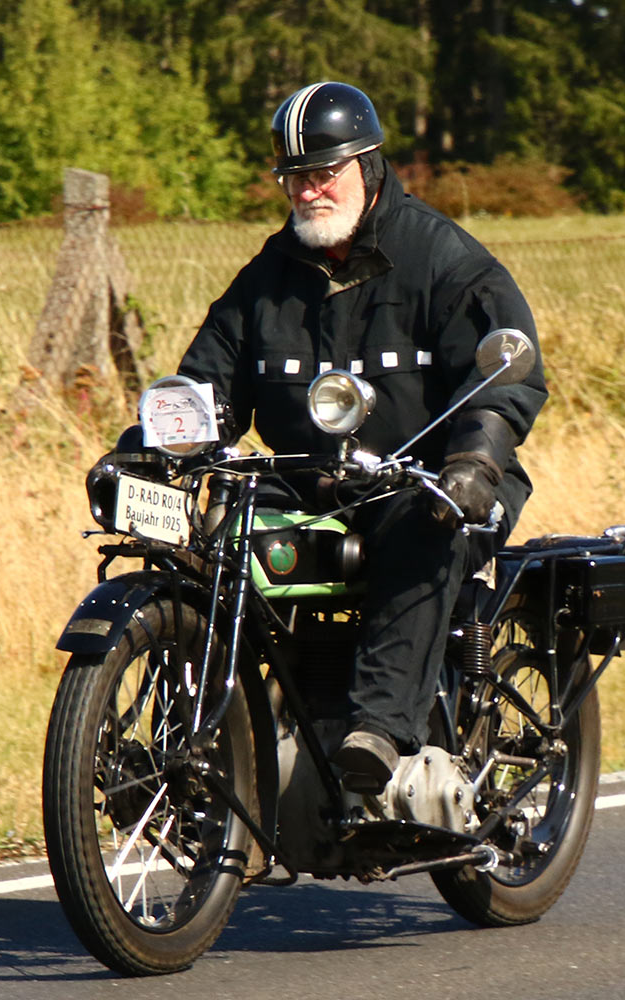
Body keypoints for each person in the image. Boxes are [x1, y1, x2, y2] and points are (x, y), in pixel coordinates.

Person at [175, 81, 546, 793]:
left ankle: (376, 732)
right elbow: (207, 384)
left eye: (325, 172)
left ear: (368, 166)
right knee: (220, 530)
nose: (309, 191)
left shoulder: (445, 260)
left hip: (430, 479)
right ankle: (226, 740)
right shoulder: (266, 279)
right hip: (311, 486)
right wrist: (153, 446)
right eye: (294, 177)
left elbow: (503, 376)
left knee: (421, 524)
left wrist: (475, 461)